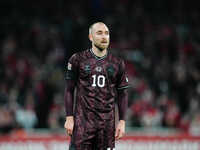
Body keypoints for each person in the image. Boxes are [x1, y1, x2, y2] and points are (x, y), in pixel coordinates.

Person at [64, 22, 129, 150]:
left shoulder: (117, 63)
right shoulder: (78, 59)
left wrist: (122, 121)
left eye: (106, 33)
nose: (104, 36)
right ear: (90, 37)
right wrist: (69, 118)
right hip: (82, 126)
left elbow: (123, 94)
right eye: (99, 33)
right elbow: (69, 90)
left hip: (106, 127)